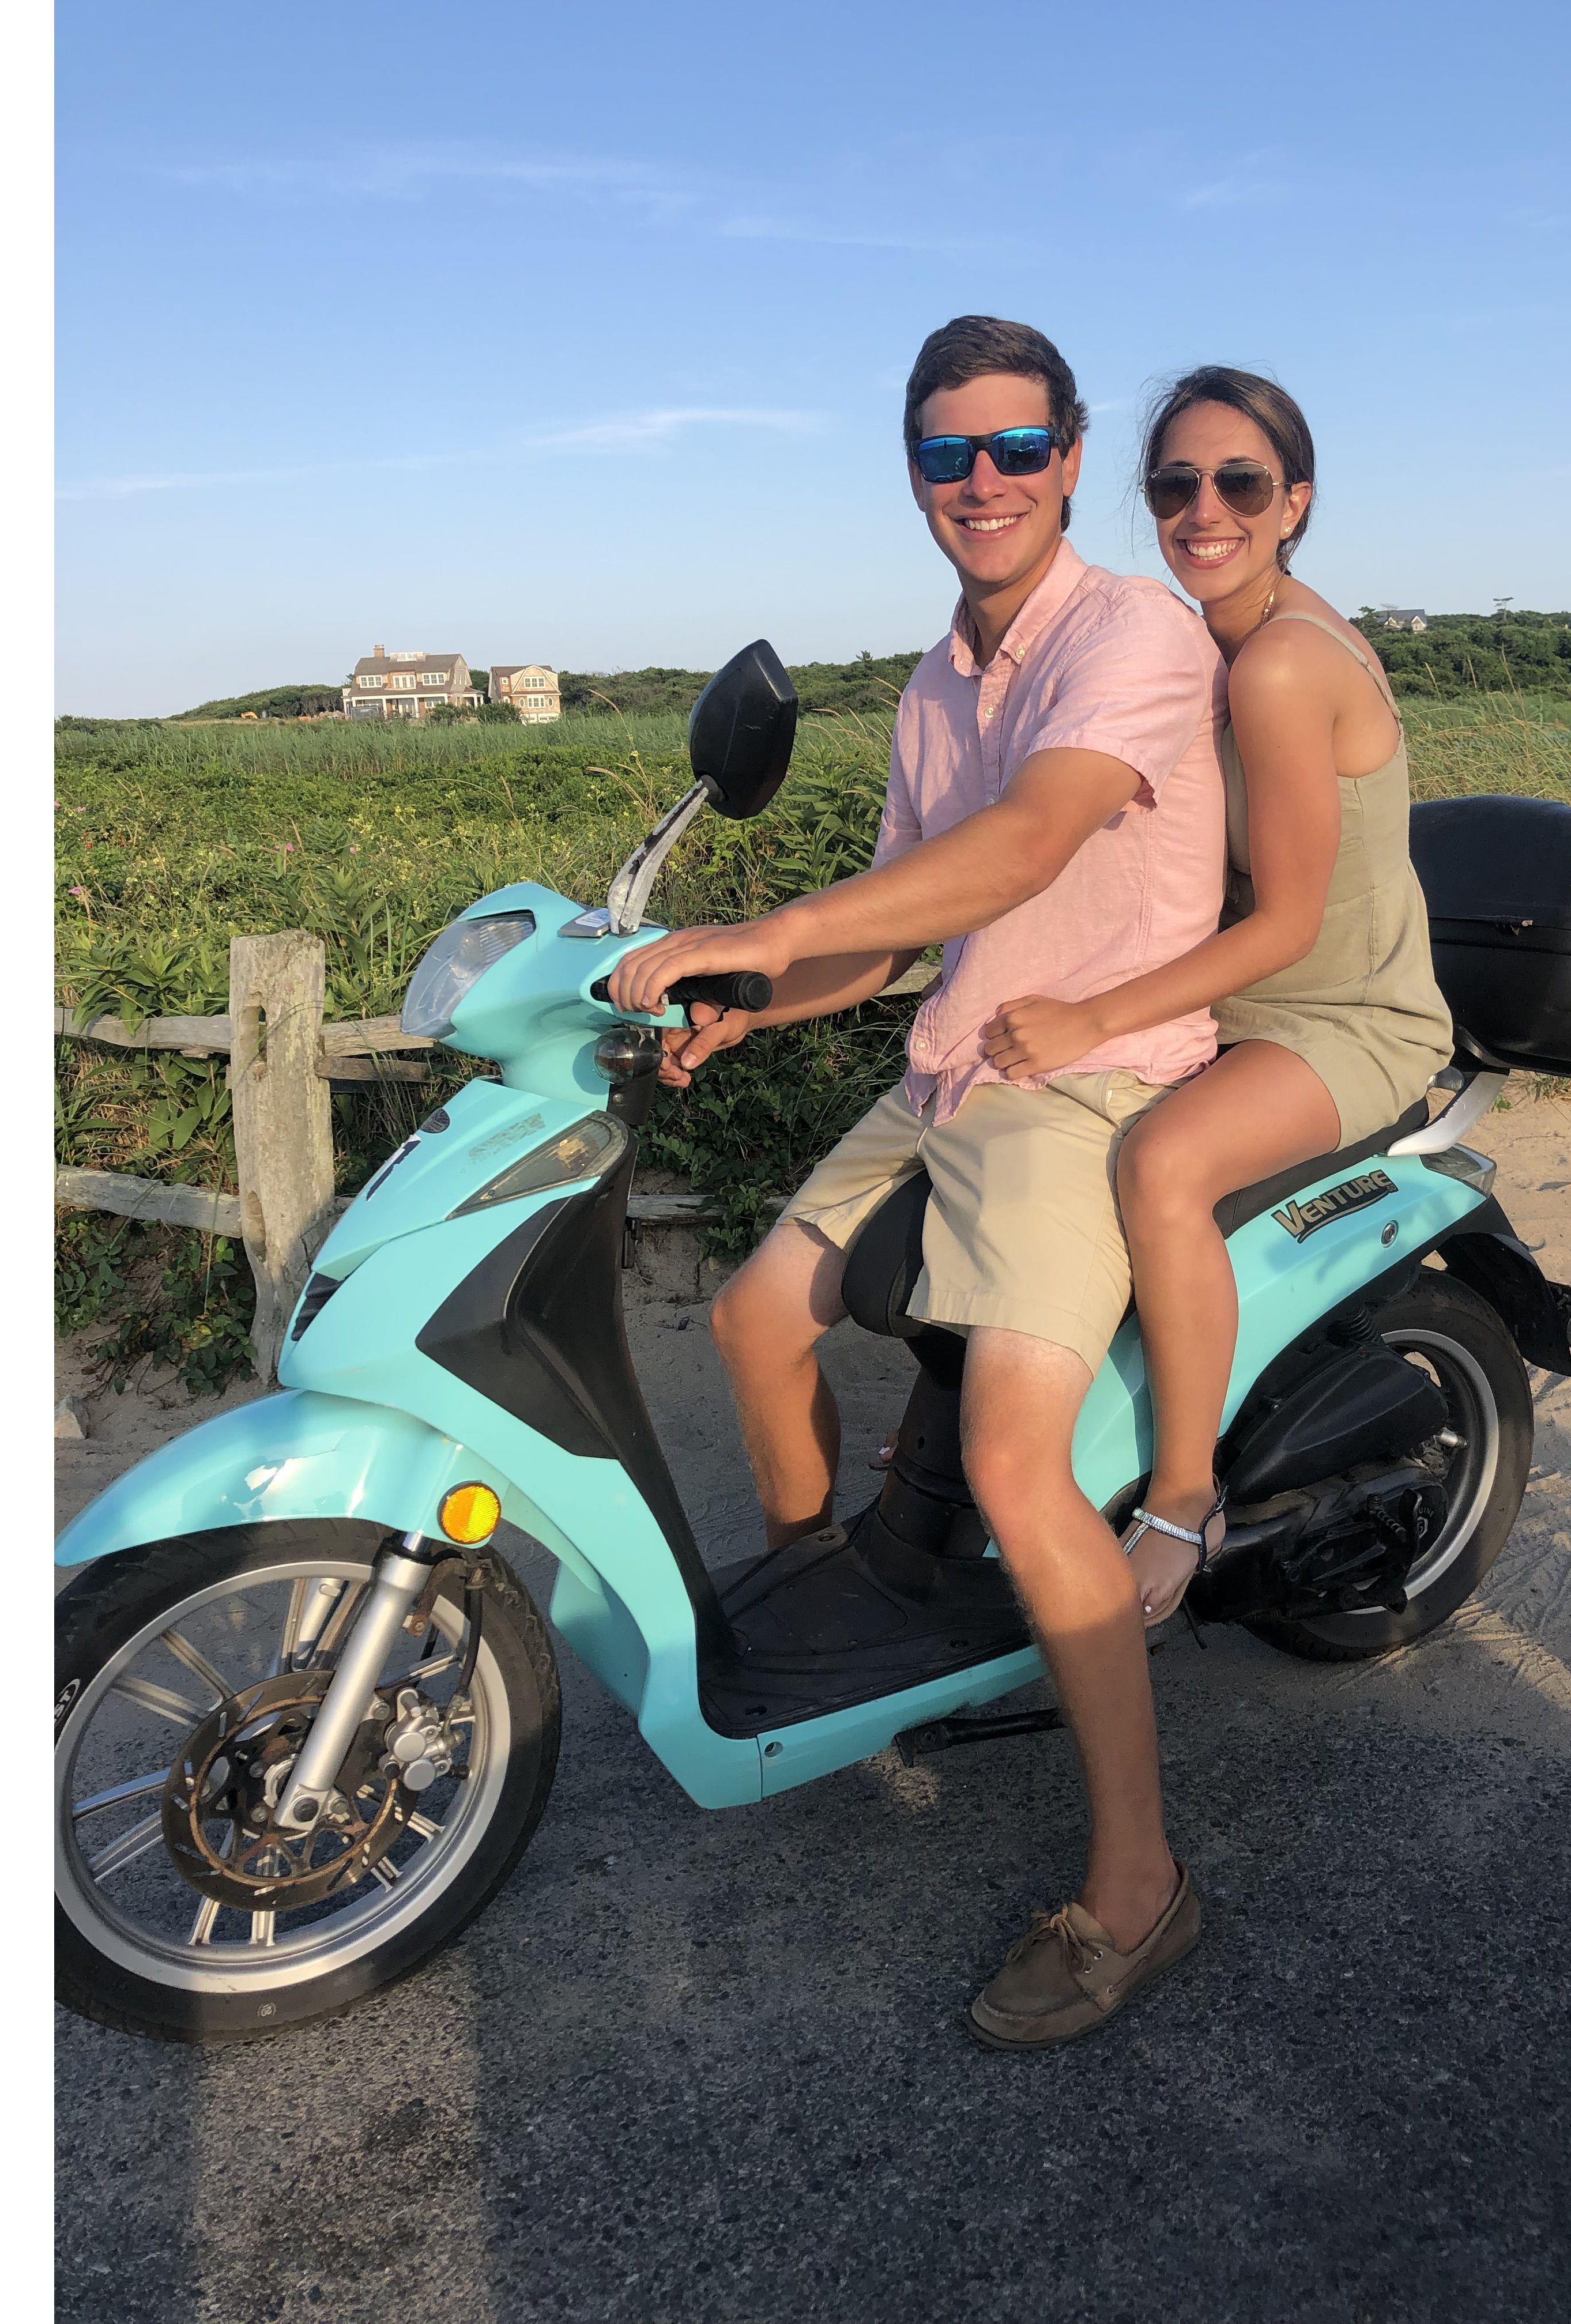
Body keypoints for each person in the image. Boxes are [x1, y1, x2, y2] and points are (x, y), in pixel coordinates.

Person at [609, 316, 1227, 2049]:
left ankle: (1140, 1885)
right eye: (949, 454)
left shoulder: (1135, 635)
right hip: (955, 1060)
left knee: (1019, 1464)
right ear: (913, 474)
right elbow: (904, 938)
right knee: (753, 1325)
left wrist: (765, 922)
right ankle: (842, 1625)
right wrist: (756, 994)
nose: (984, 482)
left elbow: (1026, 845)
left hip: (1089, 1079)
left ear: (1070, 461)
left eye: (1017, 447)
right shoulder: (930, 686)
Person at [978, 367, 1455, 1624]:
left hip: (1346, 1015)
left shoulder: (1281, 664)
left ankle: (1184, 1499)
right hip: (1241, 1000)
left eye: (1241, 482)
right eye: (1174, 483)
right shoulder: (1197, 643)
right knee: (1035, 1132)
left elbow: (1291, 922)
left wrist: (1094, 1014)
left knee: (1162, 1166)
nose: (1205, 509)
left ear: (1294, 502)